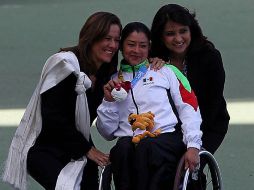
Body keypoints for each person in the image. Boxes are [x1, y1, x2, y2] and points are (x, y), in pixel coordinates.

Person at [2, 12, 122, 190]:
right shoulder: (64, 65)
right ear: (92, 36)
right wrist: (88, 150)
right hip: (44, 147)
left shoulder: (106, 72)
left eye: (116, 40)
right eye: (107, 38)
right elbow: (53, 118)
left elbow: (139, 56)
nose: (113, 45)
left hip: (75, 145)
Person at [96, 22, 202, 190]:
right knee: (121, 150)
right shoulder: (114, 81)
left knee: (147, 148)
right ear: (122, 46)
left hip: (165, 138)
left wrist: (193, 145)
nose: (136, 50)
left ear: (149, 47)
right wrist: (108, 101)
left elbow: (189, 108)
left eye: (142, 45)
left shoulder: (167, 71)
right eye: (131, 44)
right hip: (130, 141)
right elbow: (107, 133)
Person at [150, 4, 230, 155]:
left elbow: (213, 103)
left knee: (190, 165)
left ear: (191, 30)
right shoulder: (153, 60)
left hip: (208, 124)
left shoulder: (210, 57)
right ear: (160, 36)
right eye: (170, 33)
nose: (178, 39)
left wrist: (193, 140)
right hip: (167, 129)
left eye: (183, 31)